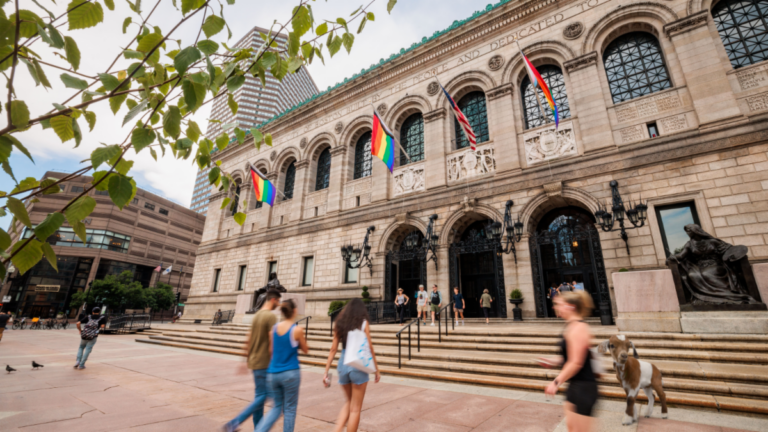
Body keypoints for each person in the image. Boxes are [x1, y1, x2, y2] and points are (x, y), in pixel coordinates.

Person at [539, 291, 598, 432]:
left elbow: (576, 363)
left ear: (571, 307)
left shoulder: (579, 328)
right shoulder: (571, 326)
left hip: (584, 387)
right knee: (571, 428)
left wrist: (556, 382)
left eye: (559, 304)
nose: (554, 307)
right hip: (574, 385)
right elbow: (572, 356)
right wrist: (555, 361)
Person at [223, 291, 281, 432]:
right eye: (278, 301)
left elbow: (248, 339)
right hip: (264, 362)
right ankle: (235, 422)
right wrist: (275, 363)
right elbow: (272, 342)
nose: (278, 304)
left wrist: (244, 360)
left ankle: (258, 428)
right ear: (273, 299)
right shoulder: (270, 317)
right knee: (268, 397)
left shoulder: (257, 316)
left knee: (259, 397)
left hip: (254, 362)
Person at [323, 298, 381, 432]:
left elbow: (333, 349)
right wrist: (376, 370)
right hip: (358, 364)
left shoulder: (339, 322)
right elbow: (370, 347)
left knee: (349, 403)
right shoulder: (363, 323)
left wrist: (326, 371)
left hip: (343, 364)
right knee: (355, 409)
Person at [254, 299, 309, 432]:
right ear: (294, 311)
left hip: (273, 373)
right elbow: (306, 349)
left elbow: (271, 351)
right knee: (289, 409)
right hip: (290, 373)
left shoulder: (273, 329)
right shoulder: (297, 329)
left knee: (276, 408)